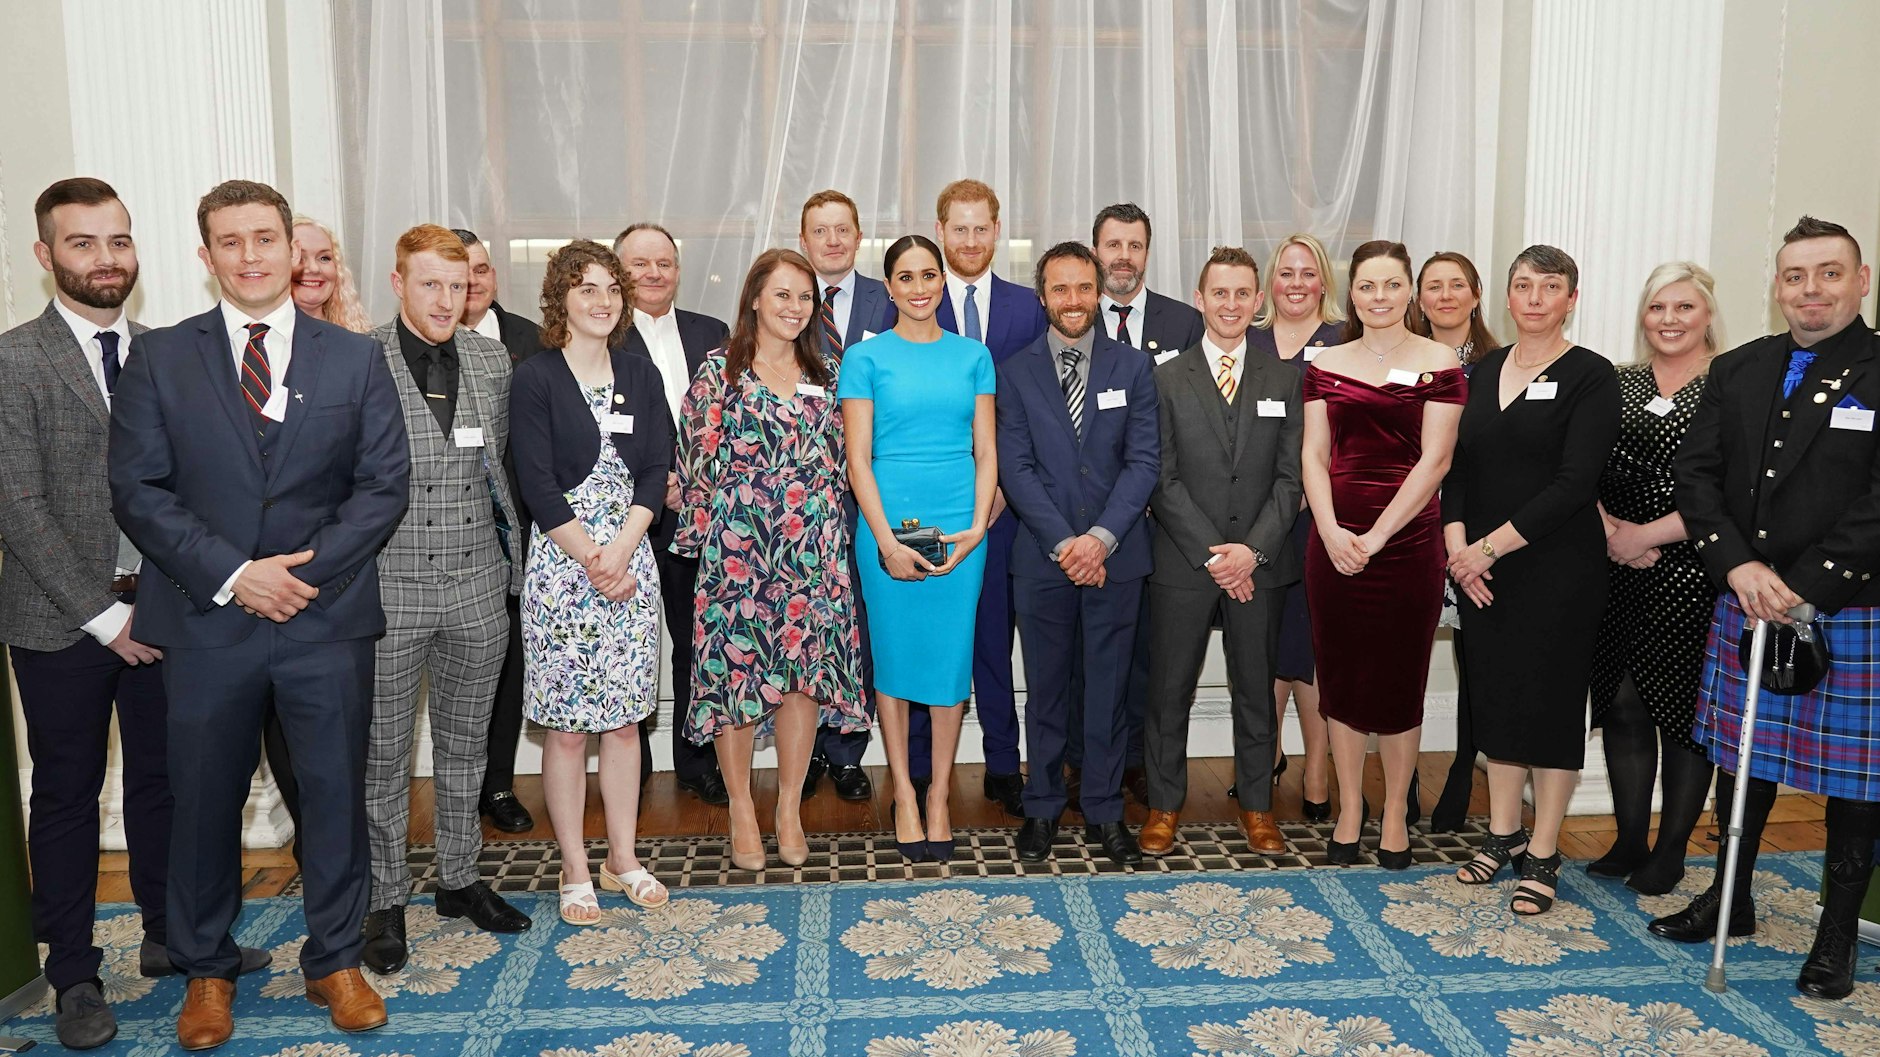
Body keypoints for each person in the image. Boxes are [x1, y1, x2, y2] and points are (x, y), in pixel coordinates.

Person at [110, 179, 407, 1048]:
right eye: (230, 241)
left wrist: (296, 576)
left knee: (333, 795)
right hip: (207, 623)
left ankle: (336, 959)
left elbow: (382, 485)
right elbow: (138, 490)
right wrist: (237, 574)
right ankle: (207, 970)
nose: (250, 255)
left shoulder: (353, 358)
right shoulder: (161, 357)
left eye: (265, 239)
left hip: (326, 615)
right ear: (205, 257)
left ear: (292, 250)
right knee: (204, 800)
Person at [0, 178, 267, 1050]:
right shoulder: (12, 362)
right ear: (45, 256)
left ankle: (171, 934)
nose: (106, 258)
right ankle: (74, 970)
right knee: (70, 796)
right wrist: (101, 617)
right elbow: (20, 506)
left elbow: (195, 491)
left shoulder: (171, 352)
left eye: (118, 240)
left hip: (171, 611)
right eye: (83, 243)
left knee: (171, 783)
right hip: (60, 623)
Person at [1650, 217, 1880, 1001]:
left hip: (1848, 603)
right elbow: (1696, 476)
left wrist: (1808, 585)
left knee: (1857, 783)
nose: (1810, 289)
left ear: (1861, 279)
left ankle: (1836, 936)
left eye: (1827, 273)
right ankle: (1732, 896)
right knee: (1742, 760)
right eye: (1794, 275)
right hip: (1745, 593)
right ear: (1776, 284)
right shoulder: (1741, 368)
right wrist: (1738, 564)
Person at [359, 224, 531, 977]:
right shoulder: (360, 357)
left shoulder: (494, 358)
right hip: (387, 586)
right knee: (385, 754)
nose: (444, 300)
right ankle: (385, 899)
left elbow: (505, 467)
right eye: (430, 284)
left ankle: (459, 878)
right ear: (399, 282)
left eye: (457, 286)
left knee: (469, 746)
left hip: (476, 584)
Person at [673, 248, 867, 870]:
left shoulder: (830, 368)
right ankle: (740, 809)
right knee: (737, 682)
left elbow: (851, 457)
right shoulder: (717, 372)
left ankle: (787, 806)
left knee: (804, 679)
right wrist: (703, 540)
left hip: (813, 549)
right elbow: (694, 462)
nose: (794, 307)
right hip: (739, 551)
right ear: (755, 298)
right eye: (781, 294)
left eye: (804, 297)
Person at [1443, 244, 1620, 917]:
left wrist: (1486, 548)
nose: (1537, 298)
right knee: (1494, 699)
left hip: (1556, 569)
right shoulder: (1485, 369)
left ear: (1571, 297)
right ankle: (1503, 832)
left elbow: (1575, 484)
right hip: (1483, 570)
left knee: (1547, 708)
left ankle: (1544, 850)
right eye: (1524, 285)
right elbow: (1459, 467)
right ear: (1508, 298)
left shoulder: (1591, 376)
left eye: (1551, 286)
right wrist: (1458, 547)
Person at [510, 240, 672, 924]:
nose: (602, 300)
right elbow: (537, 483)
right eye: (587, 289)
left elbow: (655, 470)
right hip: (562, 569)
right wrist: (592, 559)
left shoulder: (640, 371)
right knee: (570, 732)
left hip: (631, 567)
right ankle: (575, 864)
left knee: (627, 725)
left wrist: (622, 551)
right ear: (561, 300)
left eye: (612, 288)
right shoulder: (536, 377)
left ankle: (623, 857)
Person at [1300, 240, 1466, 869]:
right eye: (1367, 286)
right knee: (1339, 680)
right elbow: (1314, 455)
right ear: (1353, 294)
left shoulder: (1439, 359)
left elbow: (1437, 461)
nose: (1379, 297)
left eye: (1392, 285)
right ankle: (1348, 807)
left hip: (1408, 546)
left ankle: (1395, 811)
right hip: (1333, 543)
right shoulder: (1325, 361)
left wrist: (1375, 538)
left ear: (1410, 292)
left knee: (1400, 683)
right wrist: (1335, 530)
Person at [1138, 246, 1303, 858]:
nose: (1230, 305)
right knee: (1169, 690)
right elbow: (1161, 476)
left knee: (1256, 689)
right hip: (1185, 564)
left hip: (1261, 567)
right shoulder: (1164, 378)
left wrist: (1251, 553)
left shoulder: (1286, 379)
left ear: (1257, 302)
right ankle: (1163, 805)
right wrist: (1217, 554)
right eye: (1219, 293)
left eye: (1242, 294)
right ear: (1200, 299)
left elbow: (1291, 480)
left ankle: (1258, 808)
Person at [999, 241, 1160, 865]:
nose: (1073, 301)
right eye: (1060, 289)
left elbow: (1144, 462)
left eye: (1083, 288)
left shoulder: (1133, 368)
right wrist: (1067, 543)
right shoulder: (1014, 372)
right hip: (1044, 559)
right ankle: (1041, 808)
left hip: (1117, 558)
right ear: (1043, 296)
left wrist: (1101, 540)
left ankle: (1104, 811)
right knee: (1044, 691)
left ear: (1099, 294)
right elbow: (1016, 467)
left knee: (1110, 691)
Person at [841, 234, 997, 862]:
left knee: (949, 663)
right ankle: (904, 789)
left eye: (929, 275)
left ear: (941, 281)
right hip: (886, 521)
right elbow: (857, 458)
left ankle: (939, 795)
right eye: (905, 277)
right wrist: (883, 540)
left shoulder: (974, 356)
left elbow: (986, 450)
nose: (920, 287)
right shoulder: (865, 358)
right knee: (897, 659)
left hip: (961, 522)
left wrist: (980, 525)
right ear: (889, 287)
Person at [1584, 262, 1722, 895]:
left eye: (1684, 307)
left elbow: (1731, 488)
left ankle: (1671, 849)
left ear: (1707, 314)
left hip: (1694, 568)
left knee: (1684, 713)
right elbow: (1579, 465)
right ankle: (1630, 837)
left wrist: (1647, 535)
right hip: (1615, 566)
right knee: (1621, 703)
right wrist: (1614, 532)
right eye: (1658, 308)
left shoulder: (1730, 384)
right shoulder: (1618, 382)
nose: (1669, 319)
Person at [1075, 202, 1202, 810]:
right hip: (1088, 520)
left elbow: (1201, 420)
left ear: (1148, 252)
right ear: (1095, 249)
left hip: (1163, 517)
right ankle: (1084, 760)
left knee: (1150, 652)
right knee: (1085, 652)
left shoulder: (1184, 323)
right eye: (1112, 244)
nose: (1123, 256)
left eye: (1135, 245)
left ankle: (1137, 763)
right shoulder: (1070, 316)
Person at [930, 179, 1048, 818]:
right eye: (960, 228)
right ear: (942, 230)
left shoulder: (1027, 307)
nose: (971, 240)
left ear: (997, 232)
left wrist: (1003, 486)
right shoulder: (917, 303)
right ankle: (922, 765)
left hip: (1010, 505)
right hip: (936, 500)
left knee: (996, 637)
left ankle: (1004, 761)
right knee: (934, 632)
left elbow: (1033, 407)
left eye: (982, 229)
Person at [614, 222, 732, 805]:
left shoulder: (713, 332)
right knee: (631, 641)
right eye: (640, 264)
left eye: (664, 262)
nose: (654, 273)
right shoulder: (601, 334)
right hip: (629, 517)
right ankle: (627, 763)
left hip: (700, 517)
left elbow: (730, 417)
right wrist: (656, 481)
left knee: (695, 640)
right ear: (619, 271)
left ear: (678, 270)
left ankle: (695, 757)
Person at [798, 189, 896, 802]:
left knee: (859, 621)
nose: (832, 240)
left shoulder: (892, 302)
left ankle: (846, 751)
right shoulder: (786, 300)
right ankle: (801, 749)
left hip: (873, 485)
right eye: (820, 230)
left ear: (858, 236)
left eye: (843, 230)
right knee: (806, 621)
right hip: (799, 489)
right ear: (803, 238)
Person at [1245, 233, 1345, 819]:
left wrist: (1313, 501)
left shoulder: (1341, 344)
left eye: (1309, 273)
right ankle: (1266, 753)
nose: (1298, 284)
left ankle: (1316, 764)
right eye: (1287, 273)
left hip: (1317, 520)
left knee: (1308, 646)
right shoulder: (1247, 340)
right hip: (1254, 525)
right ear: (1270, 281)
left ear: (1323, 282)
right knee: (1259, 642)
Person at [453, 226, 544, 834]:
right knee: (456, 673)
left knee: (508, 664)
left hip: (520, 529)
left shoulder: (532, 342)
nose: (472, 284)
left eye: (481, 271)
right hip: (438, 537)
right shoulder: (398, 346)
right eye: (459, 275)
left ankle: (500, 784)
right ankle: (456, 792)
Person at [1409, 251, 1500, 833]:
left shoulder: (1501, 364)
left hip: (1476, 530)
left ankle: (1464, 771)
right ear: (1419, 298)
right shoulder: (1404, 361)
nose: (1445, 296)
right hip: (1412, 522)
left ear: (1476, 294)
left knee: (1476, 660)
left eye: (1456, 285)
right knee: (1406, 658)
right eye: (1433, 286)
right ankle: (1405, 779)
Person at [289, 217, 371, 332]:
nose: (314, 268)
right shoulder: (258, 340)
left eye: (324, 258)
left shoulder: (363, 342)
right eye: (300, 258)